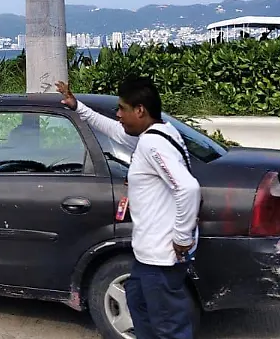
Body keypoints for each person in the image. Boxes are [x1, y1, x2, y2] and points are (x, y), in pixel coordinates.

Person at [57, 78, 200, 339]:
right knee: (138, 303)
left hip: (161, 256)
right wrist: (78, 107)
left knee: (168, 325)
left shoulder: (153, 144)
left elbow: (188, 188)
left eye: (122, 109)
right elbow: (113, 130)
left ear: (140, 110)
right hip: (148, 254)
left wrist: (181, 237)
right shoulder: (156, 133)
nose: (118, 114)